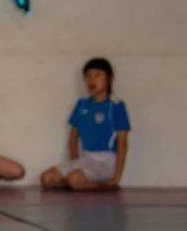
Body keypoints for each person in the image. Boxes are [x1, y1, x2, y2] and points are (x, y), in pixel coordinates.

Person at [41, 58, 130, 191]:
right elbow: (73, 137)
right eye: (88, 76)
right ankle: (77, 184)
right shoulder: (82, 105)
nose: (92, 80)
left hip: (105, 161)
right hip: (86, 158)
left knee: (74, 180)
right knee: (46, 179)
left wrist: (117, 177)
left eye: (98, 75)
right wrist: (74, 163)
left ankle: (107, 185)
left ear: (109, 79)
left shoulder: (116, 106)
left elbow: (123, 144)